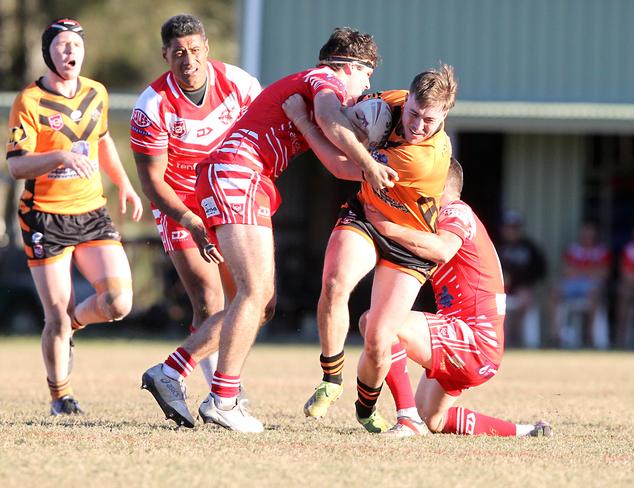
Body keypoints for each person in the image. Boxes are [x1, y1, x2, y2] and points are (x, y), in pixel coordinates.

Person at [141, 27, 393, 432]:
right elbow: (332, 119)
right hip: (237, 174)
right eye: (367, 77)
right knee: (253, 292)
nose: (367, 88)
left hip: (245, 178)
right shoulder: (322, 80)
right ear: (350, 67)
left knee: (265, 303)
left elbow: (337, 165)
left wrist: (369, 164)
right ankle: (223, 399)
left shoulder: (310, 102)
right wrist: (368, 158)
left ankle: (172, 372)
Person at [292, 65, 457, 432]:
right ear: (408, 98)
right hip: (368, 215)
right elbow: (342, 115)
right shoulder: (392, 102)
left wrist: (305, 123)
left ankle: (365, 408)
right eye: (414, 112)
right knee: (335, 282)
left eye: (429, 120)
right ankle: (331, 378)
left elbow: (339, 165)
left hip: (407, 237)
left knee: (379, 339)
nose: (417, 125)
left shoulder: (424, 157)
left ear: (445, 115)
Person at [5, 18, 143, 415]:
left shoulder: (96, 93)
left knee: (118, 302)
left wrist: (126, 184)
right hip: (44, 217)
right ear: (49, 52)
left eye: (77, 46)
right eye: (63, 46)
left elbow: (102, 142)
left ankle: (74, 325)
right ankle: (60, 396)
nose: (71, 52)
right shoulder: (29, 101)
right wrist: (62, 156)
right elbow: (16, 167)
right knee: (54, 317)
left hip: (91, 211)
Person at [362, 159, 552, 437]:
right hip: (477, 345)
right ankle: (527, 432)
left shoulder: (455, 212)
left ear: (435, 181)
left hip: (472, 339)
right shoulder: (444, 220)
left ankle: (406, 420)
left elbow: (442, 250)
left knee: (378, 324)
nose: (413, 187)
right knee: (433, 420)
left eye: (419, 177)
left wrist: (387, 228)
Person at [131, 14, 261, 386]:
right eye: (178, 53)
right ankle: (220, 389)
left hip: (228, 196)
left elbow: (264, 131)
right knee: (208, 300)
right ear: (165, 55)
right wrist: (190, 220)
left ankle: (210, 382)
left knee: (257, 300)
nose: (188, 60)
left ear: (206, 48)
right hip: (180, 204)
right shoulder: (151, 105)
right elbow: (153, 182)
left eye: (193, 50)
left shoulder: (238, 83)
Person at [548, 220, 611, 348]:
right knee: (554, 291)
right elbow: (565, 270)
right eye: (585, 232)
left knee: (594, 293)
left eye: (590, 233)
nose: (587, 236)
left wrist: (578, 271)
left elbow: (604, 273)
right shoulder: (573, 249)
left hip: (592, 285)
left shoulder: (601, 251)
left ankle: (590, 335)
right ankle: (555, 334)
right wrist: (590, 270)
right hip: (572, 284)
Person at [497, 210, 546, 347]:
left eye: (514, 228)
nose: (511, 231)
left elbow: (540, 271)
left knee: (524, 299)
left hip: (523, 290)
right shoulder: (497, 246)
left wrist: (527, 286)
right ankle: (500, 341)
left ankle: (515, 337)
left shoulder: (530, 248)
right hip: (500, 290)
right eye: (508, 227)